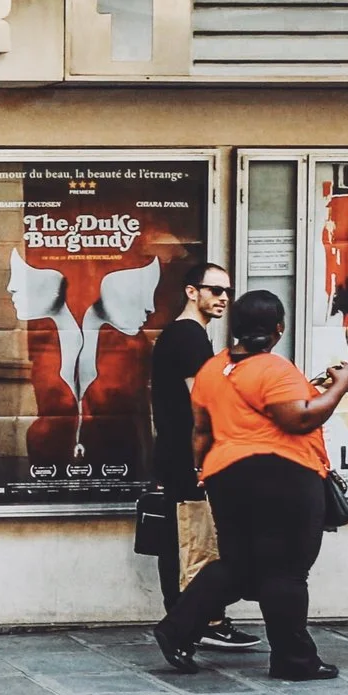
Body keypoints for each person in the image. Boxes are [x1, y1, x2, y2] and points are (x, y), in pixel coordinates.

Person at [155, 290, 348, 680]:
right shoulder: (273, 369)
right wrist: (339, 386)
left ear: (236, 327)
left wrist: (201, 471)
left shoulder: (212, 370)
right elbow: (300, 418)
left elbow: (201, 431)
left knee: (238, 564)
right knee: (287, 571)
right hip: (284, 477)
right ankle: (294, 661)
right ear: (279, 329)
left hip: (227, 477)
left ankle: (176, 629)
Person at [146, 262, 257, 652]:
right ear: (192, 292)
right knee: (193, 540)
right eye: (214, 290)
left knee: (188, 539)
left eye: (227, 291)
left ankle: (200, 618)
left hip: (181, 455)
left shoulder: (187, 335)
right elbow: (202, 403)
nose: (223, 298)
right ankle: (198, 620)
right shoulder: (189, 337)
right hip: (187, 457)